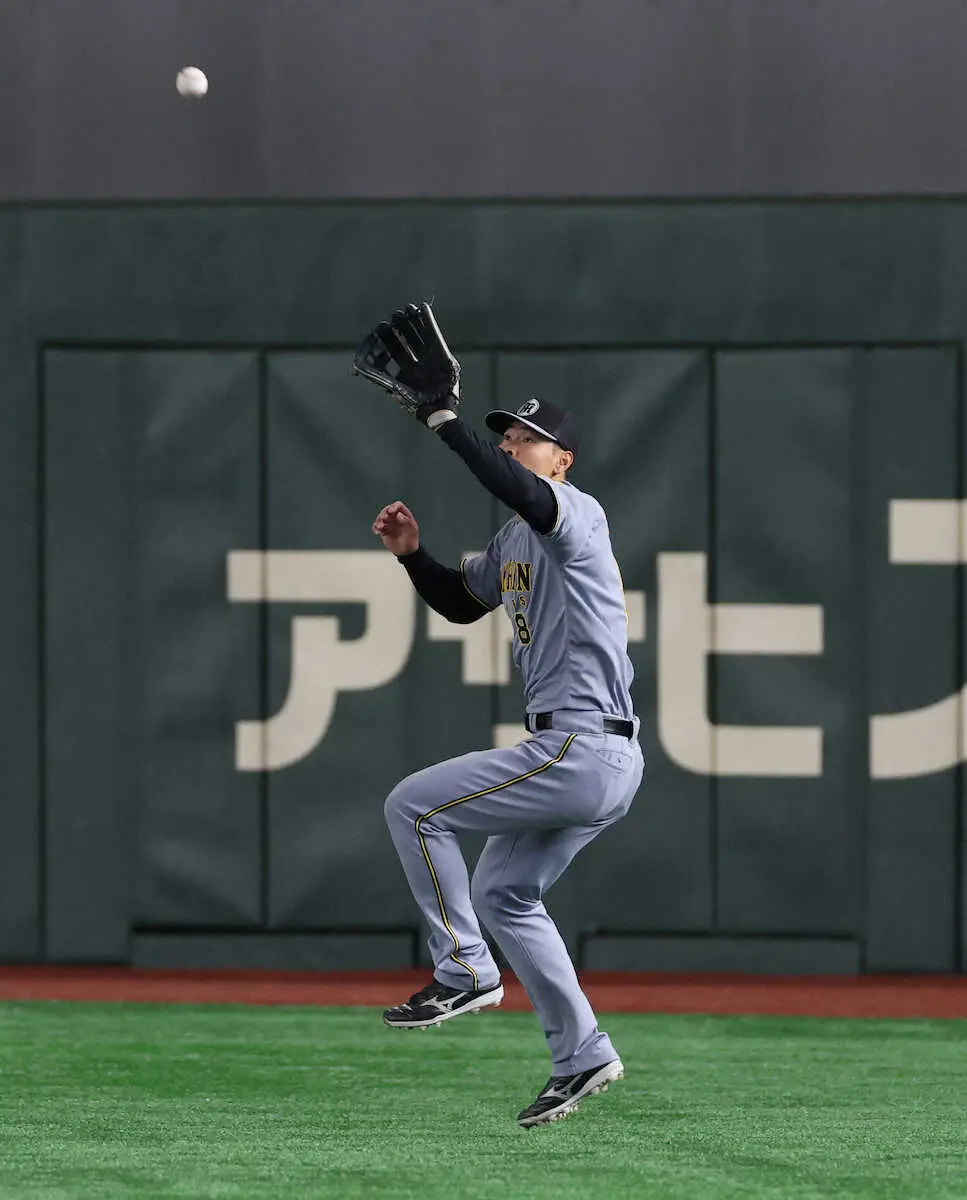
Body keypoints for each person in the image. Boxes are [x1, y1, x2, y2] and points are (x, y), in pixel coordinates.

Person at [371, 386, 645, 1129]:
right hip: (590, 750)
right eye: (508, 435)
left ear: (562, 460)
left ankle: (464, 968)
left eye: (528, 438)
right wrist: (412, 556)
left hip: (579, 744)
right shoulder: (516, 538)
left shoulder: (575, 512)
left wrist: (443, 422)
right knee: (503, 893)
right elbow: (464, 603)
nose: (513, 445)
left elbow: (513, 485)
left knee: (413, 805)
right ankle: (582, 1053)